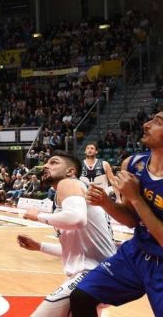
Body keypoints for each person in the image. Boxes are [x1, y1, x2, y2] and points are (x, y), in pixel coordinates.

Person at [70, 112, 163, 316]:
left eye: (158, 122)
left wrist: (136, 198)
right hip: (136, 253)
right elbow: (131, 220)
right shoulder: (132, 164)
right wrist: (106, 203)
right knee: (81, 297)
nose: (146, 125)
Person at [18, 152, 116, 316]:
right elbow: (77, 250)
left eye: (54, 162)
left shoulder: (68, 183)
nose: (46, 166)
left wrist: (38, 216)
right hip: (101, 275)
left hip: (93, 274)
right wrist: (39, 246)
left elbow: (77, 219)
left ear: (70, 171)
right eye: (46, 163)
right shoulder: (69, 196)